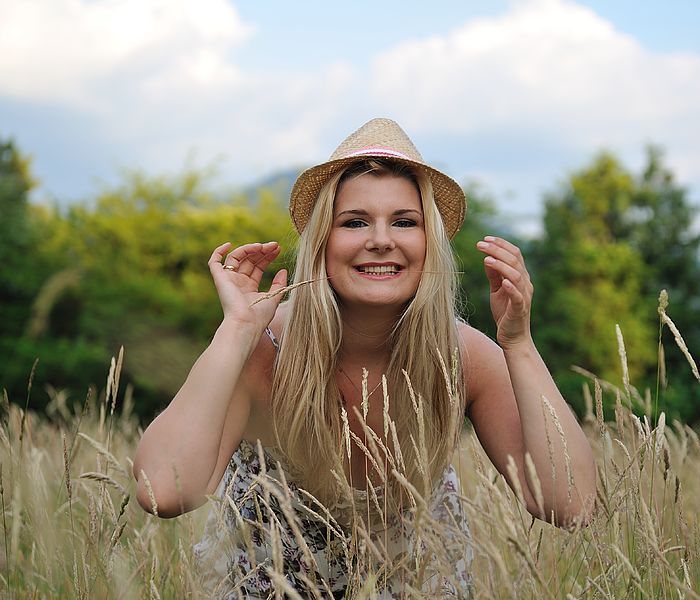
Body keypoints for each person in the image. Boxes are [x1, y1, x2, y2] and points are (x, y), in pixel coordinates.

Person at [133, 118, 596, 598]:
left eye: (404, 222)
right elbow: (162, 491)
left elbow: (572, 504)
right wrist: (235, 331)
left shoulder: (460, 354)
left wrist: (518, 342)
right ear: (322, 243)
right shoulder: (264, 348)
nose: (381, 239)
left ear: (428, 243)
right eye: (354, 222)